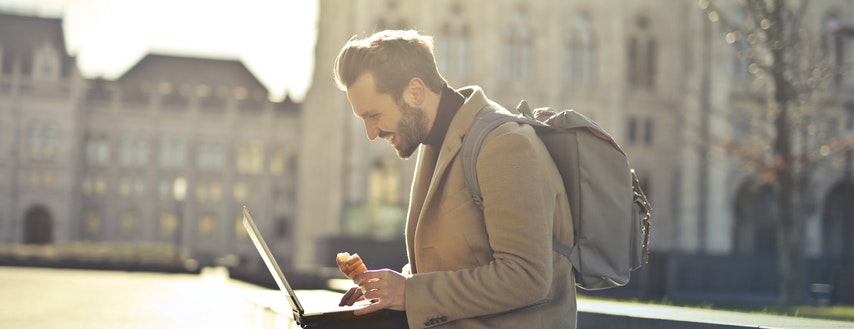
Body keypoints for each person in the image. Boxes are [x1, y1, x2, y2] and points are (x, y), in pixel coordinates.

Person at [334, 29, 576, 329]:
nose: (371, 133)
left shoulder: (504, 144)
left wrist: (411, 293)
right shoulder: (436, 142)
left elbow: (528, 276)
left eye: (374, 115)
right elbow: (459, 262)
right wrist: (387, 291)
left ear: (415, 91)